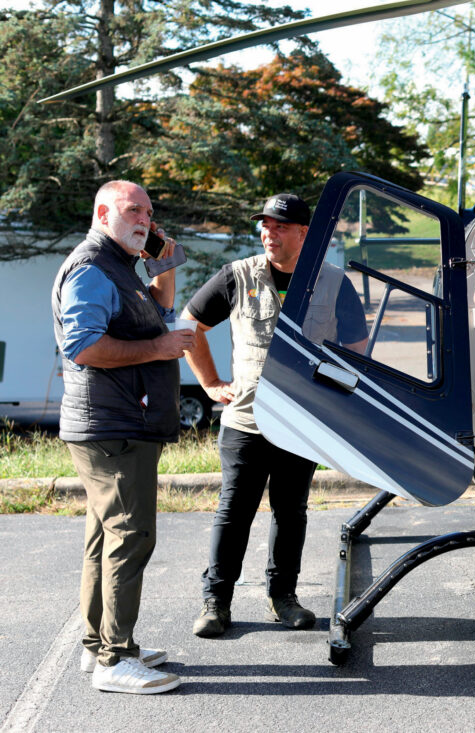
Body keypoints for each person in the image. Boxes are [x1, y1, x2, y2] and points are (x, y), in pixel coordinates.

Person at [182, 193, 368, 638]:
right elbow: (190, 327)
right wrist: (210, 384)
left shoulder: (333, 282)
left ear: (305, 233)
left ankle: (283, 598)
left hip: (301, 424)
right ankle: (216, 603)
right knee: (234, 512)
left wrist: (332, 399)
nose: (269, 233)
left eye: (280, 226)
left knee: (291, 513)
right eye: (264, 225)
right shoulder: (237, 275)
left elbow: (357, 352)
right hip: (245, 422)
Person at [52, 180, 193, 694]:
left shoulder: (121, 266)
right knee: (132, 535)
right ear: (102, 212)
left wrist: (164, 267)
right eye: (133, 210)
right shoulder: (92, 267)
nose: (145, 220)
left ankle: (99, 648)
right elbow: (84, 347)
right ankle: (116, 658)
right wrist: (159, 348)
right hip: (112, 426)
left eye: (150, 213)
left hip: (117, 423)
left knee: (104, 538)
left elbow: (156, 313)